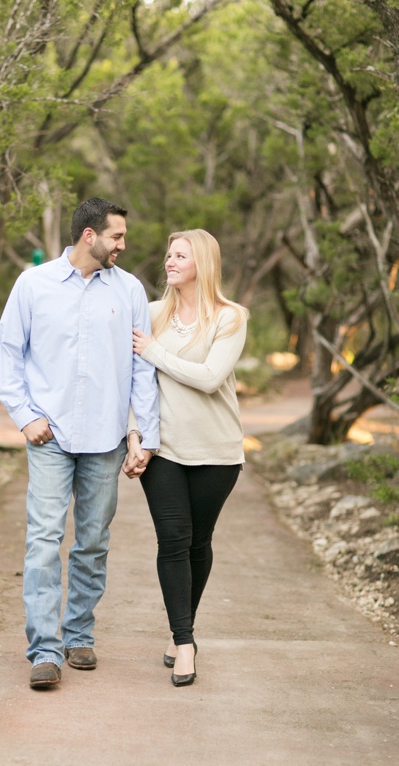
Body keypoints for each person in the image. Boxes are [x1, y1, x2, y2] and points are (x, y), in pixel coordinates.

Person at [0, 197, 161, 689]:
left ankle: (79, 634)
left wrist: (142, 435)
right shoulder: (34, 284)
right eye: (117, 236)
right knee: (44, 541)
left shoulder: (129, 290)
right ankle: (44, 651)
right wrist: (25, 417)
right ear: (89, 235)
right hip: (50, 436)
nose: (122, 245)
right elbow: (8, 354)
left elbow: (142, 369)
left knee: (92, 542)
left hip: (106, 439)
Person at [127, 229, 248, 687]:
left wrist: (155, 351)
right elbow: (134, 384)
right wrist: (134, 434)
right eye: (169, 254)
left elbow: (211, 377)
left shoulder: (230, 317)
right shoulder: (152, 314)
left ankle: (183, 628)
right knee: (173, 541)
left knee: (199, 543)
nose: (170, 261)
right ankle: (183, 644)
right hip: (164, 450)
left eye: (181, 254)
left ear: (203, 262)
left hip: (217, 450)